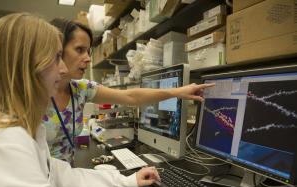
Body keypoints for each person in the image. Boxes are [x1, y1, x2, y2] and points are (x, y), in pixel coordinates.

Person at [0, 13, 260, 187]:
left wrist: (125, 179)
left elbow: (59, 175)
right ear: (26, 66)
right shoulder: (6, 143)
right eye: (56, 57)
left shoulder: (26, 128)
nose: (63, 69)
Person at [43, 18, 215, 163]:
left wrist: (177, 92)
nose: (87, 58)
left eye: (88, 51)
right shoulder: (34, 93)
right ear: (57, 48)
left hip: (66, 179)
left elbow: (130, 96)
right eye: (79, 50)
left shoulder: (81, 89)